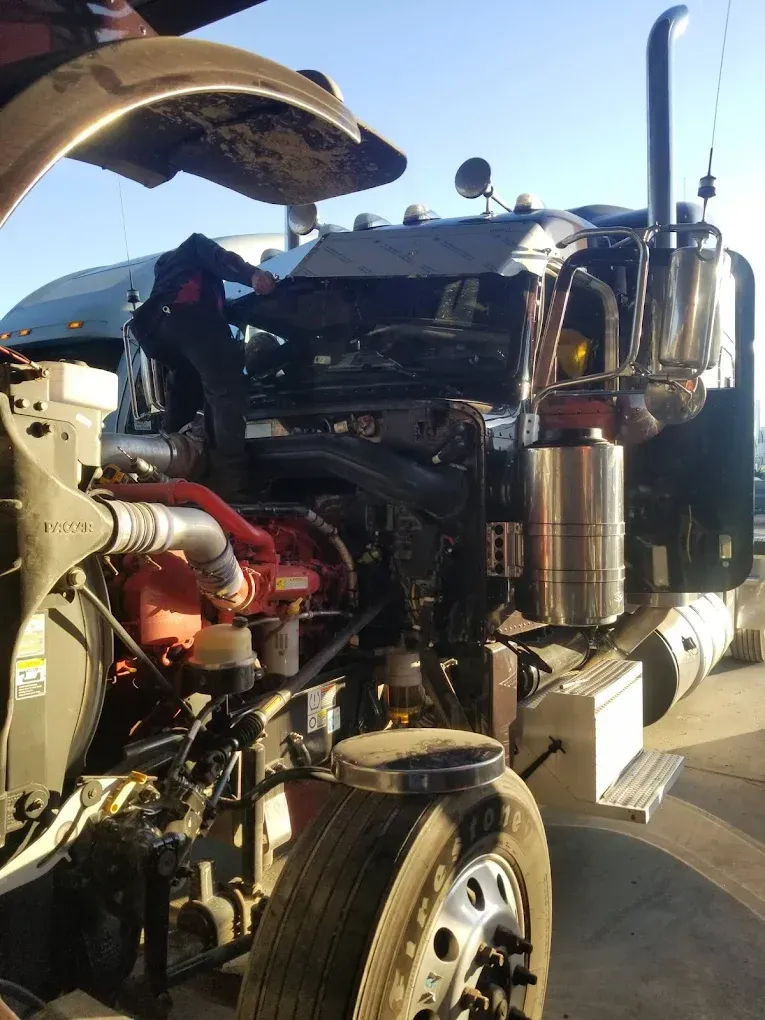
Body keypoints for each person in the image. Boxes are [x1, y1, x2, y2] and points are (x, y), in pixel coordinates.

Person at [130, 233, 277, 496]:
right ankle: (229, 482)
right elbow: (210, 252)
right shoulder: (192, 250)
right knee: (226, 391)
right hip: (188, 322)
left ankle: (170, 462)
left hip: (151, 332)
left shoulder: (167, 282)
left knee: (186, 380)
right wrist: (252, 275)